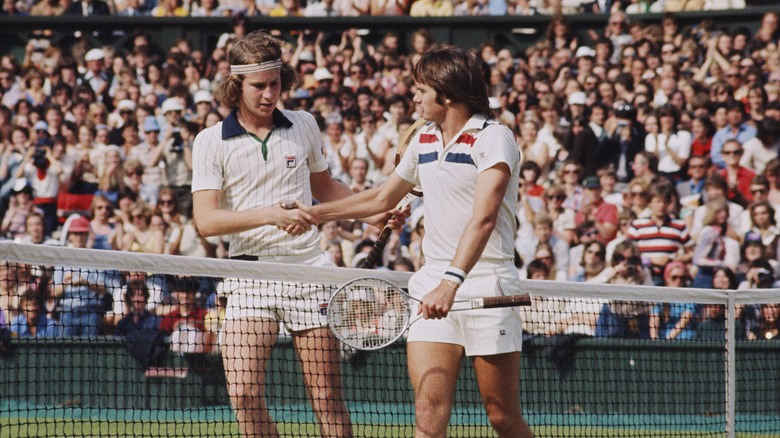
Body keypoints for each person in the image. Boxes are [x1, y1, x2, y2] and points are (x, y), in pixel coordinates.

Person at [302, 46, 534, 438]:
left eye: (420, 90)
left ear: (446, 94)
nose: (413, 98)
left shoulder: (495, 138)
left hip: (485, 281)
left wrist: (452, 282)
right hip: (430, 283)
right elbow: (380, 198)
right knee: (427, 414)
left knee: (501, 416)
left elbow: (484, 218)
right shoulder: (424, 137)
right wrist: (313, 213)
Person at [191, 30, 386, 438]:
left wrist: (376, 214)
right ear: (235, 85)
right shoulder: (210, 141)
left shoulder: (305, 124)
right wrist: (269, 216)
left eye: (275, 83)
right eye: (258, 86)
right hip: (249, 277)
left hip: (308, 272)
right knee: (243, 395)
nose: (269, 94)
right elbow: (206, 221)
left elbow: (326, 188)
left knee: (327, 398)